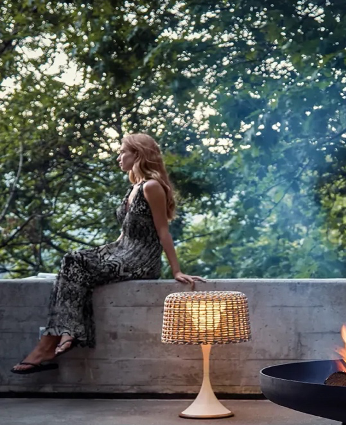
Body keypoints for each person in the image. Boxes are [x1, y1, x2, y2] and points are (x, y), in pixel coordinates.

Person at [12, 133, 204, 374]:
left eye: (123, 151)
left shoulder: (153, 187)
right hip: (123, 251)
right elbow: (124, 235)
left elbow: (163, 230)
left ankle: (51, 343)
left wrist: (176, 269)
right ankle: (64, 335)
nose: (118, 156)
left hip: (141, 260)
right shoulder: (134, 188)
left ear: (138, 155)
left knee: (75, 262)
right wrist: (102, 254)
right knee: (72, 261)